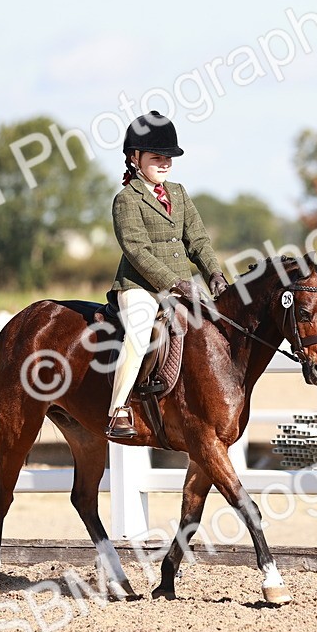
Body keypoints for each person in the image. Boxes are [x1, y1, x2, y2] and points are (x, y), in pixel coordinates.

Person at [106, 111, 228, 439]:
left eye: (168, 158)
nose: (164, 164)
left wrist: (214, 272)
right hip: (140, 286)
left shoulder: (179, 192)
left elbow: (198, 239)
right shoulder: (126, 200)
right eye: (156, 157)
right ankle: (118, 408)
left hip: (182, 286)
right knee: (139, 333)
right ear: (135, 158)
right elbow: (137, 251)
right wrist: (173, 283)